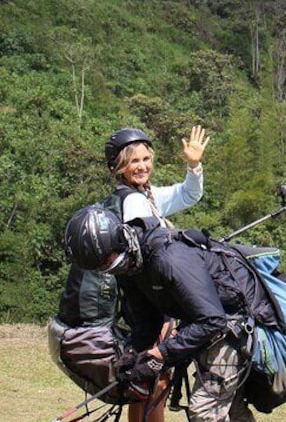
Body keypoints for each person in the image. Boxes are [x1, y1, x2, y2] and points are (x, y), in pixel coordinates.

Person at [50, 126, 210, 422]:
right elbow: (150, 261)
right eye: (134, 161)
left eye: (147, 159)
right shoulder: (133, 202)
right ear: (119, 167)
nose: (142, 166)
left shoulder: (140, 196)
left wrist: (193, 164)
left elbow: (188, 194)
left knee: (142, 383)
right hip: (140, 304)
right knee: (157, 378)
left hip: (125, 306)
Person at [63, 206, 271, 422]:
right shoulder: (131, 266)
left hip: (232, 325)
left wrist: (161, 354)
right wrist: (133, 354)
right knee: (231, 409)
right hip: (205, 325)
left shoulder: (169, 259)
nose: (111, 269)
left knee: (205, 412)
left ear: (120, 241)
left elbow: (213, 320)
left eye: (109, 262)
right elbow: (146, 319)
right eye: (103, 268)